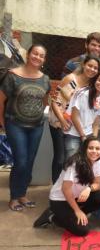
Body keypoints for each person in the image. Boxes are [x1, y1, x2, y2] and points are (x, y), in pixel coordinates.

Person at [0, 44, 51, 211]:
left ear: (44, 60)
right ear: (28, 55)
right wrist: (2, 122)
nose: (37, 57)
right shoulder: (13, 76)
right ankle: (14, 197)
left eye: (41, 56)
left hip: (36, 126)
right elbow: (1, 101)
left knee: (29, 162)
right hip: (15, 124)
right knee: (21, 161)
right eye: (35, 54)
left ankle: (22, 195)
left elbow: (44, 101)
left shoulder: (45, 79)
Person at [33, 136, 100, 236]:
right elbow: (65, 190)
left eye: (97, 148)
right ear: (84, 149)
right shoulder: (75, 164)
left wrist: (88, 188)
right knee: (82, 231)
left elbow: (97, 184)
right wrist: (77, 211)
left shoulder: (98, 162)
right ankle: (52, 216)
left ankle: (71, 215)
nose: (94, 151)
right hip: (60, 200)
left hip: (76, 197)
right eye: (91, 148)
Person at [49, 55, 100, 182]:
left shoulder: (92, 85)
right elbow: (54, 102)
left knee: (73, 160)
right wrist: (62, 120)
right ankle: (56, 188)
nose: (92, 69)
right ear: (83, 65)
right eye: (90, 66)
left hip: (75, 128)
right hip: (59, 124)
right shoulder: (71, 79)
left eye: (95, 68)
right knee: (61, 159)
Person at [64, 71, 100, 159]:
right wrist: (83, 136)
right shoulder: (82, 93)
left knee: (87, 164)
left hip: (89, 134)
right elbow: (74, 117)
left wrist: (93, 139)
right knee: (71, 163)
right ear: (95, 80)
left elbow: (96, 123)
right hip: (74, 134)